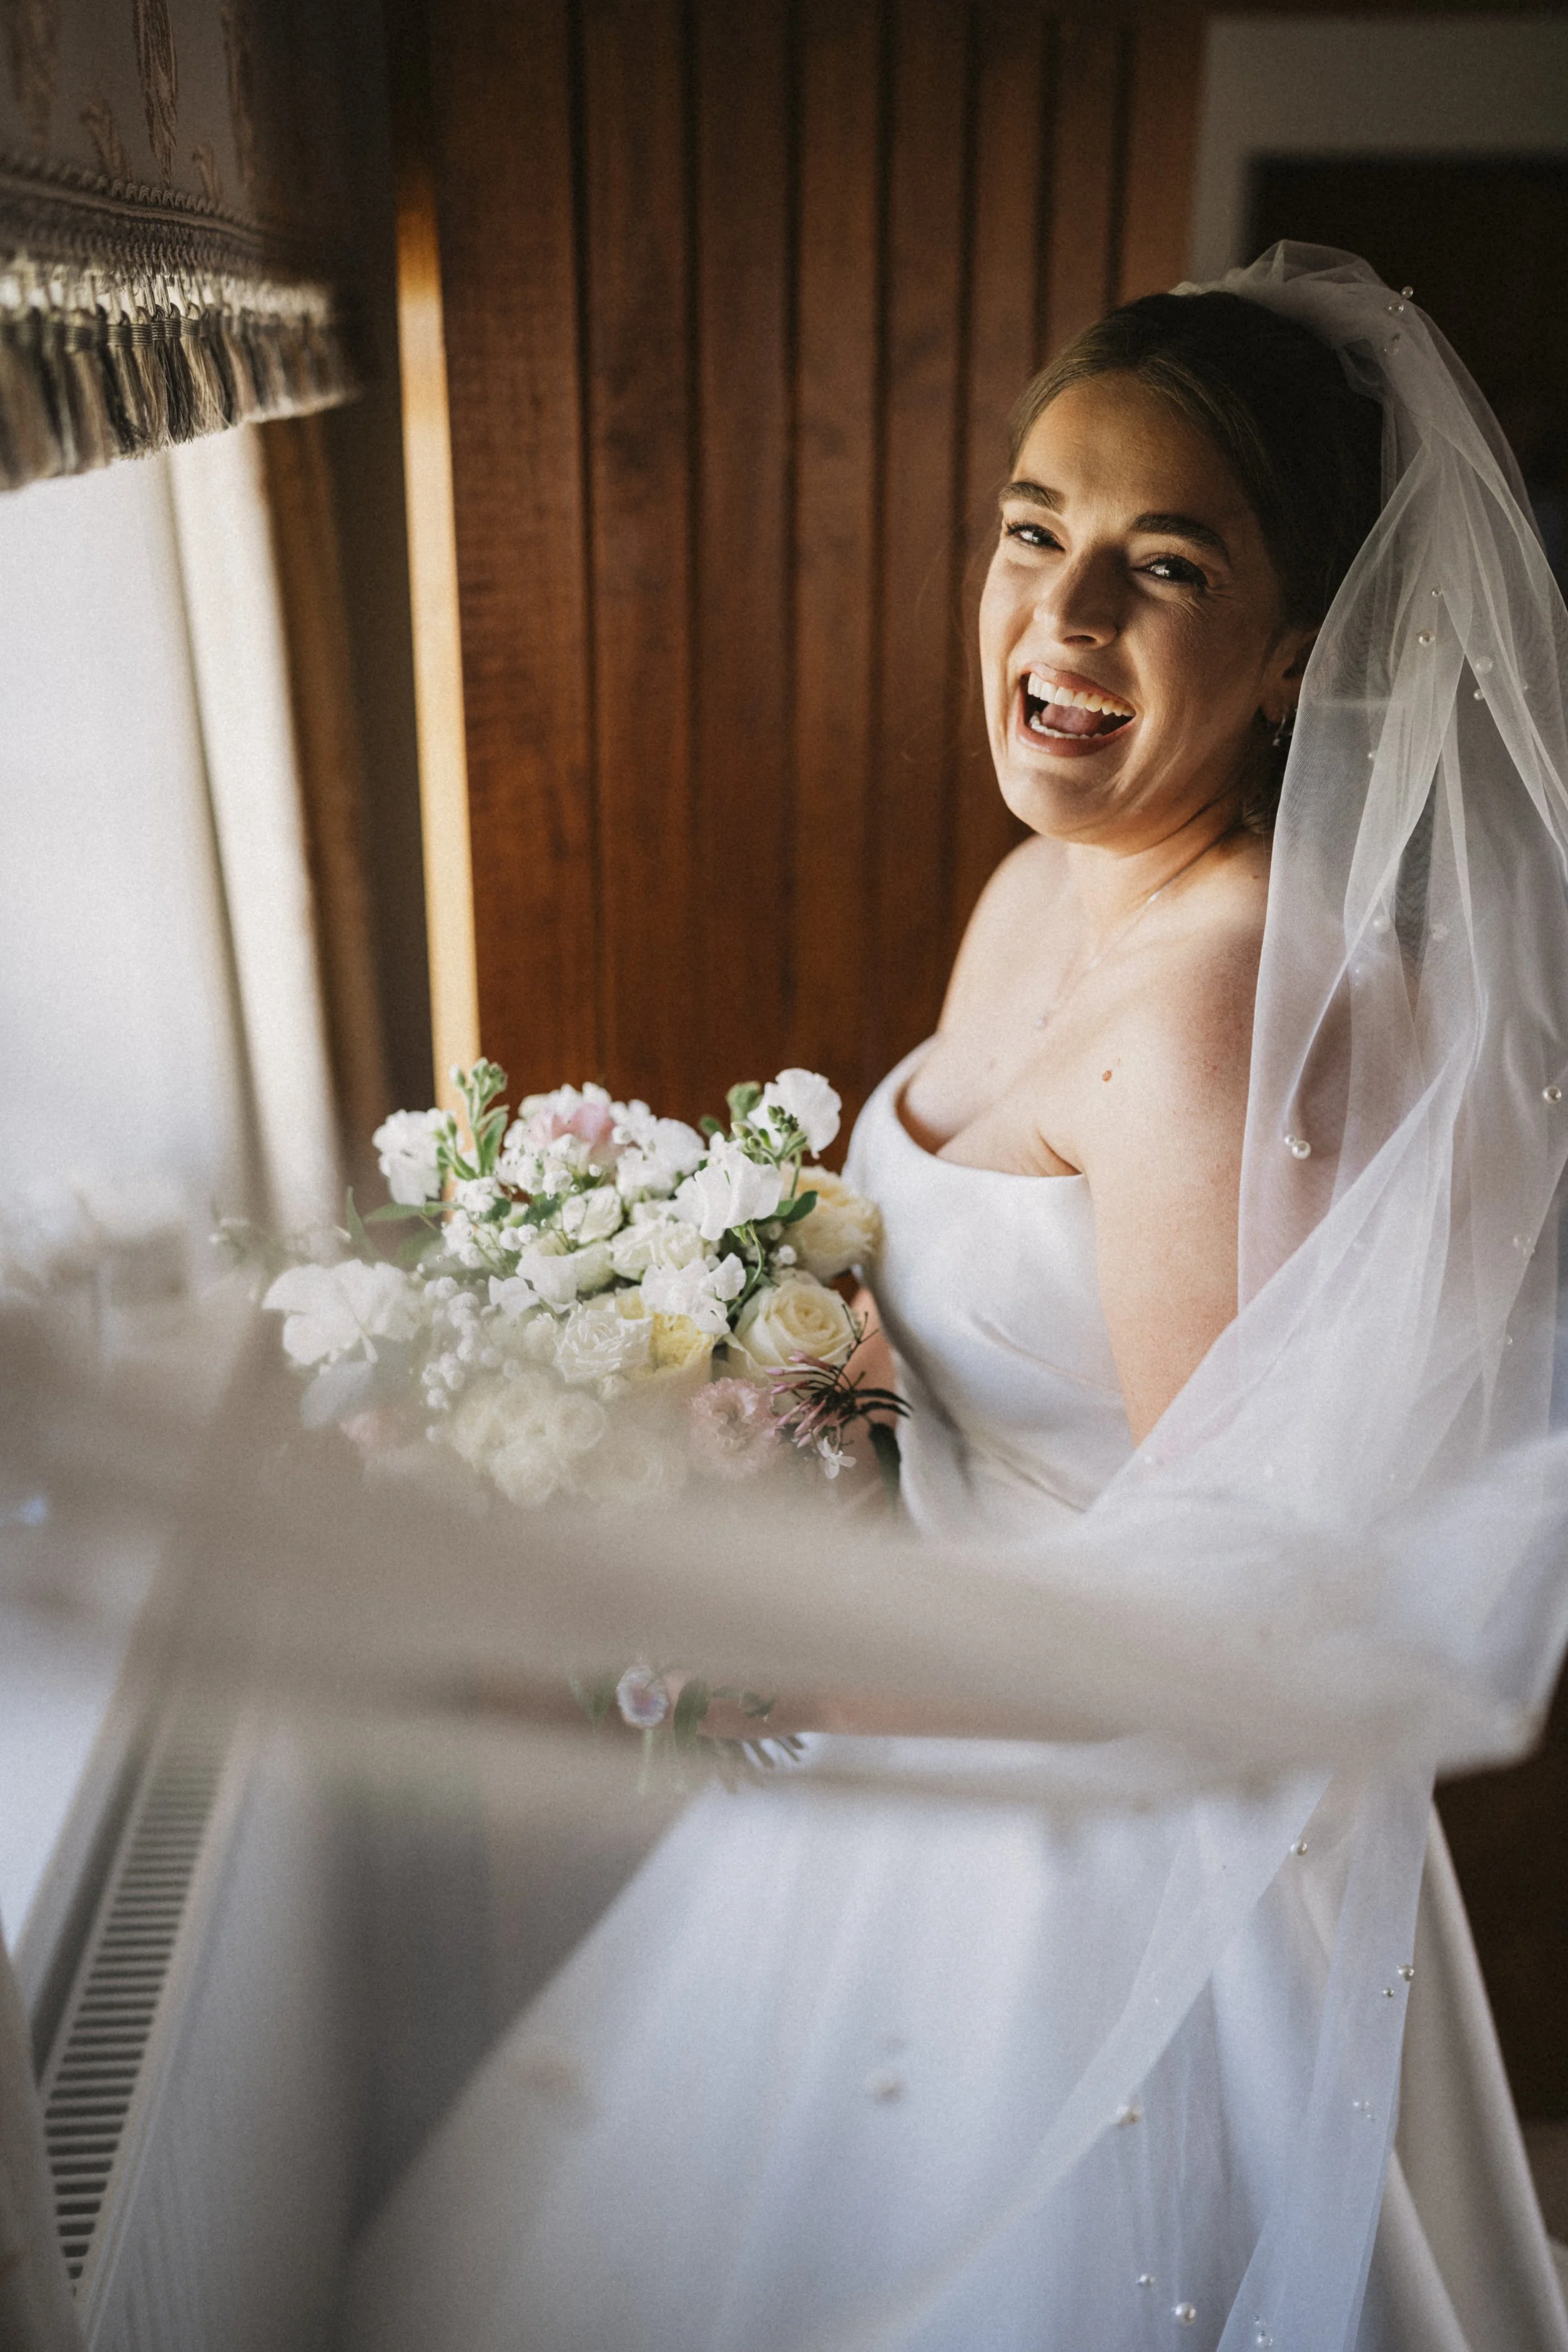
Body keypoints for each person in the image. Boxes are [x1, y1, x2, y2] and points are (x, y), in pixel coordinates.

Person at [346, 250, 1568, 2351]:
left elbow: (1237, 1611)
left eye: (1160, 566)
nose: (1063, 618)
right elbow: (946, 1346)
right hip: (909, 1751)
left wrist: (778, 1639)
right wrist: (726, 1379)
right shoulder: (1035, 899)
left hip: (1092, 1862)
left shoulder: (1214, 1023)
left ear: (1296, 651)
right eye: (1033, 530)